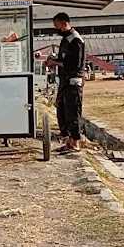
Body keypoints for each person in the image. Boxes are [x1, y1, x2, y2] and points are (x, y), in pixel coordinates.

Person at [46, 12, 85, 154]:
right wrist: (54, 59)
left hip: (73, 81)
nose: (57, 29)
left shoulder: (76, 41)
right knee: (62, 111)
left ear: (64, 23)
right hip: (64, 81)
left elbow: (74, 64)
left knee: (73, 112)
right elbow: (63, 58)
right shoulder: (66, 39)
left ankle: (75, 142)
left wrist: (55, 62)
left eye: (57, 26)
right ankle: (68, 141)